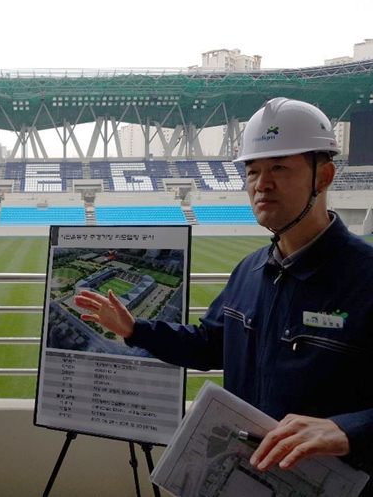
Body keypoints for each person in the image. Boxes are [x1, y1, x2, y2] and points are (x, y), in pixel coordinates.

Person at [74, 97, 373, 490]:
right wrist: (135, 330)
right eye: (252, 171)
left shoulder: (365, 277)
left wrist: (349, 430)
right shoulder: (249, 270)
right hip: (245, 478)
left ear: (324, 176)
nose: (261, 184)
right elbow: (209, 345)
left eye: (279, 168)